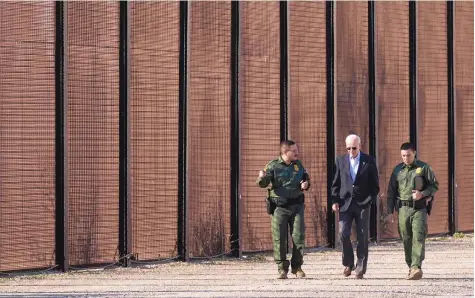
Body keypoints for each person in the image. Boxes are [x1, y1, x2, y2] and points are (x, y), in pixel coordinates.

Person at [256, 140, 310, 279]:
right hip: (279, 208)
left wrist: (306, 184)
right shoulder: (273, 166)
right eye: (294, 150)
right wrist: (261, 177)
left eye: (297, 150)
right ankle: (282, 268)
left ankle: (297, 267)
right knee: (279, 239)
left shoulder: (298, 165)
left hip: (297, 207)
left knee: (299, 237)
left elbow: (305, 178)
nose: (297, 152)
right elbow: (263, 183)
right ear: (285, 152)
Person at [387, 142, 438, 280]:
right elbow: (391, 191)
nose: (406, 158)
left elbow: (434, 185)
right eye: (403, 156)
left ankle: (416, 266)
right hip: (403, 209)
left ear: (414, 153)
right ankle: (411, 266)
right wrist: (390, 211)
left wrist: (423, 193)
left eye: (408, 155)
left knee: (418, 236)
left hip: (419, 208)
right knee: (406, 238)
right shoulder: (397, 170)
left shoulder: (423, 167)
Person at [330, 134, 379, 279]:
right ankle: (348, 263)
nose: (351, 151)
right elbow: (335, 183)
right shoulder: (340, 160)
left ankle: (361, 266)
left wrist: (369, 200)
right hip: (345, 203)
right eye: (348, 148)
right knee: (343, 232)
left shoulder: (369, 161)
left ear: (360, 146)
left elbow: (375, 185)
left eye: (354, 148)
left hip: (363, 204)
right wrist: (334, 200)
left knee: (362, 235)